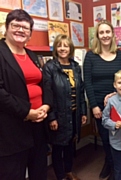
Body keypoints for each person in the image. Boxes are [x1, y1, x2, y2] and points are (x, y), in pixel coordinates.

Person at [0, 9, 52, 180]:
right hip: (12, 128)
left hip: (38, 125)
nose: (20, 30)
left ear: (30, 34)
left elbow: (44, 82)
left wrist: (46, 105)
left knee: (39, 170)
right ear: (6, 28)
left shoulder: (32, 55)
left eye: (25, 28)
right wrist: (27, 112)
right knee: (13, 173)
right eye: (16, 25)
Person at [42, 34, 87, 180]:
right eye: (59, 45)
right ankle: (60, 176)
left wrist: (83, 112)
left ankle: (69, 171)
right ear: (56, 48)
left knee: (70, 144)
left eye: (66, 46)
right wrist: (51, 117)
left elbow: (80, 91)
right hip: (59, 116)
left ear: (70, 48)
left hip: (74, 114)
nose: (63, 49)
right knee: (58, 147)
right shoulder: (50, 67)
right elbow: (48, 94)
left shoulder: (75, 67)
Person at [83, 20, 121, 180]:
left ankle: (117, 167)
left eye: (108, 32)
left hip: (118, 103)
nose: (105, 35)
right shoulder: (91, 56)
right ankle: (109, 162)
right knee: (105, 138)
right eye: (101, 32)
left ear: (113, 34)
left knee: (118, 136)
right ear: (97, 36)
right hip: (99, 105)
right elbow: (88, 82)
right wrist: (94, 106)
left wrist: (114, 94)